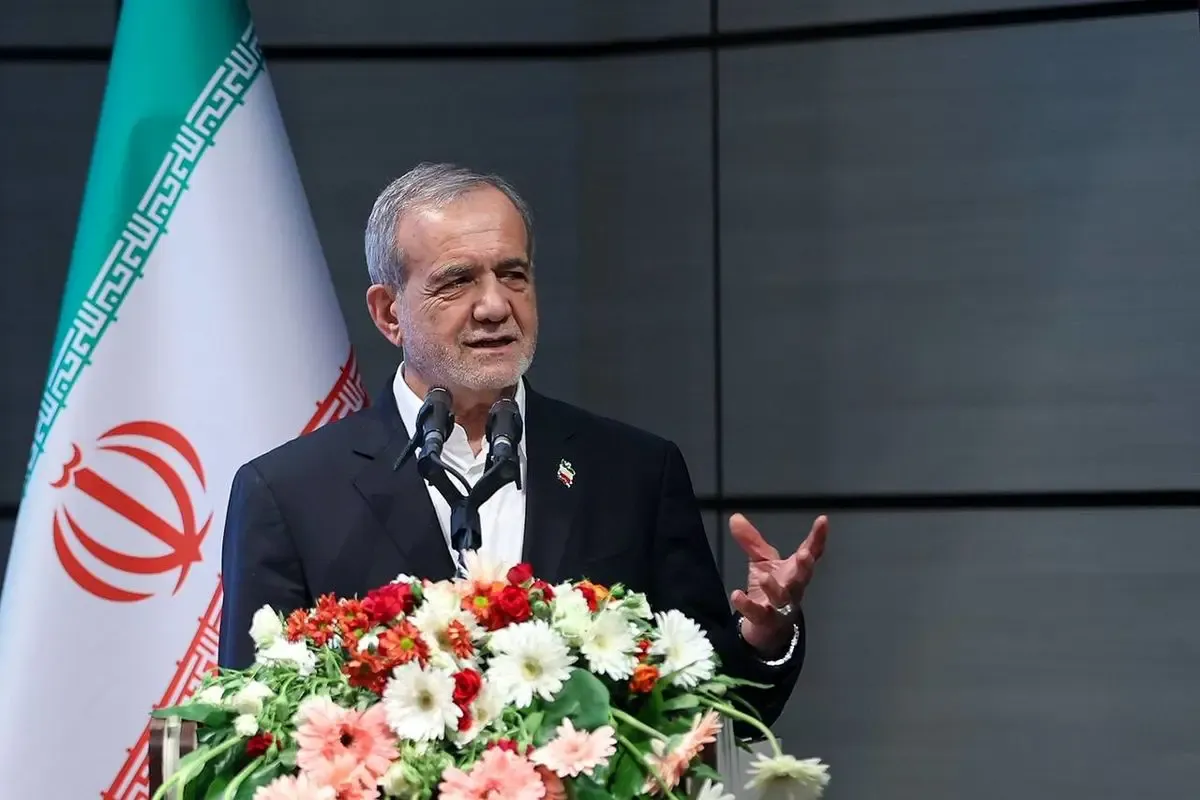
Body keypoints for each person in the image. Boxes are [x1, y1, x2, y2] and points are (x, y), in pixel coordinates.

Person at [217, 162, 829, 727]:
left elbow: (712, 707)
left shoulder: (634, 472)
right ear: (389, 314)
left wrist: (765, 636)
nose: (494, 306)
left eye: (513, 274)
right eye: (457, 281)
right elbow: (252, 723)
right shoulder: (289, 495)